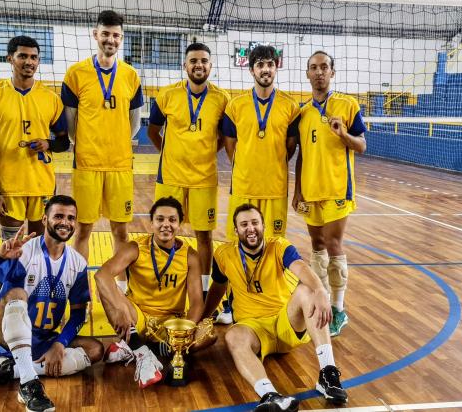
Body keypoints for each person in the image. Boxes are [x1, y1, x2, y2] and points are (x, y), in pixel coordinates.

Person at [204, 204, 349, 411]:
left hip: (285, 322)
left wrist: (320, 291)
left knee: (307, 291)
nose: (250, 228)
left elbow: (301, 267)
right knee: (232, 336)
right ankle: (270, 396)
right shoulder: (223, 255)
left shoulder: (279, 246)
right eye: (244, 224)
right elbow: (217, 289)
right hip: (252, 329)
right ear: (236, 230)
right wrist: (204, 318)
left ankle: (328, 374)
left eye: (255, 223)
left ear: (263, 225)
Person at [0, 195, 103, 412]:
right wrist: (0, 257)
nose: (65, 222)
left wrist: (59, 344)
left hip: (42, 338)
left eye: (71, 218)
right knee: (17, 292)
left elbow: (78, 313)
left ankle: (12, 370)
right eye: (58, 216)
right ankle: (29, 384)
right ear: (44, 219)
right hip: (2, 336)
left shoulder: (77, 263)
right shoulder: (25, 251)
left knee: (95, 349)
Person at [95, 197, 215, 388]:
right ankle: (142, 352)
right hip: (137, 317)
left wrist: (182, 334)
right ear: (151, 223)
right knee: (104, 288)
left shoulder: (190, 255)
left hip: (170, 323)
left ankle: (134, 346)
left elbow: (197, 303)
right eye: (160, 219)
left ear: (180, 224)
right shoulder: (136, 248)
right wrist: (118, 308)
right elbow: (102, 275)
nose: (166, 225)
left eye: (172, 220)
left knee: (209, 335)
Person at [147, 42, 230, 301]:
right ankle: (160, 282)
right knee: (163, 231)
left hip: (204, 179)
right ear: (185, 65)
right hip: (170, 177)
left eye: (204, 61)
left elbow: (225, 137)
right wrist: (168, 152)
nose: (199, 65)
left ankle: (204, 288)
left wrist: (206, 154)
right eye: (193, 60)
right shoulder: (167, 95)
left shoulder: (222, 99)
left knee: (204, 236)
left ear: (210, 66)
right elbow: (153, 130)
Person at [293, 51, 367, 336]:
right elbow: (300, 155)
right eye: (314, 68)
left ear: (332, 73)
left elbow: (361, 145)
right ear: (308, 74)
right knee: (317, 248)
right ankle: (320, 302)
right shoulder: (303, 113)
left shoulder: (347, 105)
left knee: (334, 246)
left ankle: (338, 309)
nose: (319, 72)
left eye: (324, 67)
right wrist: (298, 189)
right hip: (311, 191)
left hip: (338, 189)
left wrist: (343, 135)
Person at [62, 10, 143, 261]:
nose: (111, 39)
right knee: (82, 230)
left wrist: (116, 142)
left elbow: (135, 122)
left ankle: (120, 286)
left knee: (120, 231)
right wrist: (87, 144)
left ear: (122, 38)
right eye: (105, 34)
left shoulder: (131, 75)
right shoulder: (76, 73)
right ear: (95, 34)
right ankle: (80, 289)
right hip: (87, 164)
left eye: (116, 35)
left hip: (120, 164)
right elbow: (70, 122)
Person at [0, 35, 70, 241]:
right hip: (9, 185)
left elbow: (64, 142)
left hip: (42, 185)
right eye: (23, 56)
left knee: (38, 246)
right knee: (12, 246)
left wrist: (48, 143)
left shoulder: (51, 98)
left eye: (34, 57)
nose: (29, 62)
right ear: (10, 58)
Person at [221, 45, 300, 240]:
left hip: (275, 188)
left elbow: (290, 147)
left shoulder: (290, 106)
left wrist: (273, 162)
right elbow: (230, 145)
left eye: (270, 64)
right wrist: (245, 165)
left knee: (273, 245)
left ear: (276, 67)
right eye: (260, 64)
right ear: (251, 70)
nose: (265, 69)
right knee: (237, 242)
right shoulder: (235, 105)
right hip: (243, 187)